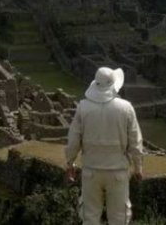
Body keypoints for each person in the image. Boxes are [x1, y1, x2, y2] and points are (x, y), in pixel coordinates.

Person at [65, 67, 144, 225]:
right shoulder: (126, 108)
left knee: (90, 216)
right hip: (118, 173)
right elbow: (135, 142)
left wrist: (70, 162)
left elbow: (73, 141)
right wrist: (138, 167)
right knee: (118, 218)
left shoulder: (83, 107)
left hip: (91, 171)